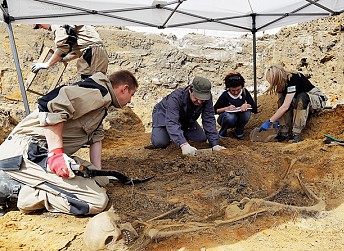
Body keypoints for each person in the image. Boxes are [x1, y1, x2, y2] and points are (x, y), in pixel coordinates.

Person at [0, 70, 138, 216]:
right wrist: (56, 155)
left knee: (102, 180)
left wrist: (98, 172)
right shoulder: (98, 93)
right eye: (132, 94)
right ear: (124, 89)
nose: (130, 100)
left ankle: (32, 179)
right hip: (27, 152)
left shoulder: (103, 102)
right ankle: (19, 191)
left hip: (41, 151)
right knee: (96, 201)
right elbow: (50, 103)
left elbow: (96, 136)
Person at [151, 76, 226, 156]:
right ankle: (169, 133)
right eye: (196, 98)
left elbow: (209, 118)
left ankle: (178, 133)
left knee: (200, 139)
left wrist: (214, 144)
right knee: (160, 142)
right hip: (164, 115)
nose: (200, 102)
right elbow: (172, 121)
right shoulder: (175, 98)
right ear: (190, 90)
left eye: (202, 99)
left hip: (186, 118)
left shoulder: (207, 97)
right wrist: (183, 144)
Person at [258, 65, 327, 143]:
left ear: (278, 77)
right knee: (282, 100)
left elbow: (285, 106)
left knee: (301, 98)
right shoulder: (282, 84)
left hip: (316, 99)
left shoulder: (293, 78)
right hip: (298, 100)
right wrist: (278, 120)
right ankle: (284, 132)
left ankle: (296, 134)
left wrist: (270, 121)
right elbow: (282, 104)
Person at [31, 24, 108, 79]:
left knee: (90, 85)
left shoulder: (58, 23)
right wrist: (64, 59)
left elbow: (63, 47)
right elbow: (79, 48)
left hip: (93, 53)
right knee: (94, 84)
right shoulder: (69, 21)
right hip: (96, 53)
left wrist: (47, 64)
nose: (40, 27)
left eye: (39, 24)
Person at [214, 72, 257, 140]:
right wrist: (226, 108)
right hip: (227, 119)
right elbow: (215, 110)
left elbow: (254, 108)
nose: (236, 92)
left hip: (240, 118)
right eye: (233, 91)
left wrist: (247, 105)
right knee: (230, 117)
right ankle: (223, 132)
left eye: (238, 90)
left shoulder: (244, 93)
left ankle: (239, 131)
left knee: (246, 113)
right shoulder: (225, 95)